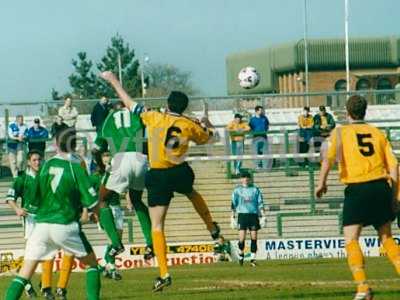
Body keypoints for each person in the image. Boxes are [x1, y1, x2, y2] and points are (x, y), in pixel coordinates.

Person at [100, 71, 221, 292]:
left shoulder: (154, 117)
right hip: (179, 170)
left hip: (158, 175)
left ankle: (164, 273)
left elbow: (128, 103)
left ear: (167, 104)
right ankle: (211, 227)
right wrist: (206, 123)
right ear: (183, 107)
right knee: (192, 192)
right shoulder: (188, 124)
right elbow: (211, 137)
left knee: (157, 226)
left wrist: (114, 81)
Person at [316, 95, 400, 300]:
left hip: (358, 189)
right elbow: (394, 166)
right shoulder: (377, 133)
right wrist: (395, 196)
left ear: (347, 112)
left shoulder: (340, 132)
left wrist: (321, 182)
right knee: (387, 238)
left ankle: (363, 288)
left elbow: (327, 159)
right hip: (381, 187)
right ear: (365, 111)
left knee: (351, 239)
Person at [5, 129, 101, 300]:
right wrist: (94, 213)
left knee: (24, 274)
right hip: (64, 224)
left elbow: (34, 196)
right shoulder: (75, 168)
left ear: (56, 145)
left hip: (41, 226)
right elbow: (92, 201)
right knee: (92, 264)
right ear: (75, 145)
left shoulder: (45, 166)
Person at [92, 99, 154, 263]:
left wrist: (100, 165)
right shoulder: (135, 115)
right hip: (141, 159)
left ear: (112, 109)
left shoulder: (108, 119)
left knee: (101, 200)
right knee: (136, 200)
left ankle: (116, 243)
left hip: (120, 160)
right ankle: (150, 243)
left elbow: (96, 148)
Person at [231, 171, 265, 267]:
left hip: (253, 216)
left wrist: (263, 215)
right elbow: (233, 204)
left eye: (247, 177)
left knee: (254, 238)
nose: (245, 179)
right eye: (243, 177)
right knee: (242, 239)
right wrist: (232, 217)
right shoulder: (237, 190)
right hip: (242, 215)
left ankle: (252, 260)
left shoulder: (255, 189)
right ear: (241, 179)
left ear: (249, 179)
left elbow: (260, 203)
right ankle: (241, 254)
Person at [249, 106, 270, 170]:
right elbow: (250, 127)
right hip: (256, 137)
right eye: (260, 110)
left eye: (262, 110)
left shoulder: (264, 118)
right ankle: (257, 166)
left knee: (265, 151)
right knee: (256, 151)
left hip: (264, 137)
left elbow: (267, 125)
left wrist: (265, 131)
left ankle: (265, 166)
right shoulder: (252, 119)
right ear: (256, 111)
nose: (262, 111)